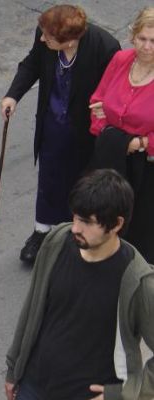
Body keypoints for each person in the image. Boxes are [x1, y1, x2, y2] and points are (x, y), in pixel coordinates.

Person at [4, 169, 154, 400]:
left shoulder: (137, 279)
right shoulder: (56, 241)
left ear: (116, 224)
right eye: (75, 217)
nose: (75, 228)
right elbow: (31, 308)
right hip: (33, 386)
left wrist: (120, 395)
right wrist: (14, 368)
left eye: (86, 222)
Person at [0, 4, 120, 264]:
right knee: (49, 178)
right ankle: (41, 232)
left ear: (70, 40)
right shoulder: (45, 36)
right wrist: (13, 95)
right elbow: (32, 64)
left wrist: (107, 108)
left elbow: (115, 88)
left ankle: (74, 236)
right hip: (53, 121)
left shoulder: (105, 47)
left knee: (82, 184)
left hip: (86, 130)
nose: (43, 40)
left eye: (49, 38)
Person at [89, 7, 154, 264]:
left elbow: (104, 109)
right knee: (107, 219)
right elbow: (97, 102)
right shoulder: (121, 60)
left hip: (147, 170)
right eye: (142, 38)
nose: (147, 47)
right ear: (132, 36)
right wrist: (109, 133)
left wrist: (141, 143)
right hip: (112, 161)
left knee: (142, 232)